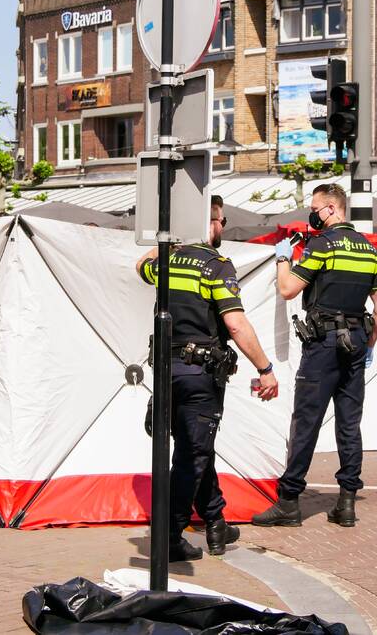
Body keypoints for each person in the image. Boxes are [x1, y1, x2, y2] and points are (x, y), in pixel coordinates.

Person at [136, 195, 279, 561]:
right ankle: (169, 538)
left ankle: (215, 522)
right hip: (200, 375)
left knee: (196, 448)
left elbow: (140, 265)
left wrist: (168, 242)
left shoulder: (166, 262)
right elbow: (235, 322)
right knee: (192, 455)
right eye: (219, 220)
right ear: (208, 223)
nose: (222, 227)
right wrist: (265, 369)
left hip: (168, 374)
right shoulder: (216, 266)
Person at [251, 184, 377, 529]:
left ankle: (288, 502)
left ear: (331, 208)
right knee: (348, 423)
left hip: (323, 342)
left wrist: (284, 258)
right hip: (356, 341)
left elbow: (287, 290)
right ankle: (346, 504)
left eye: (315, 208)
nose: (312, 214)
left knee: (306, 422)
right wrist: (368, 346)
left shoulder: (321, 245)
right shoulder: (369, 250)